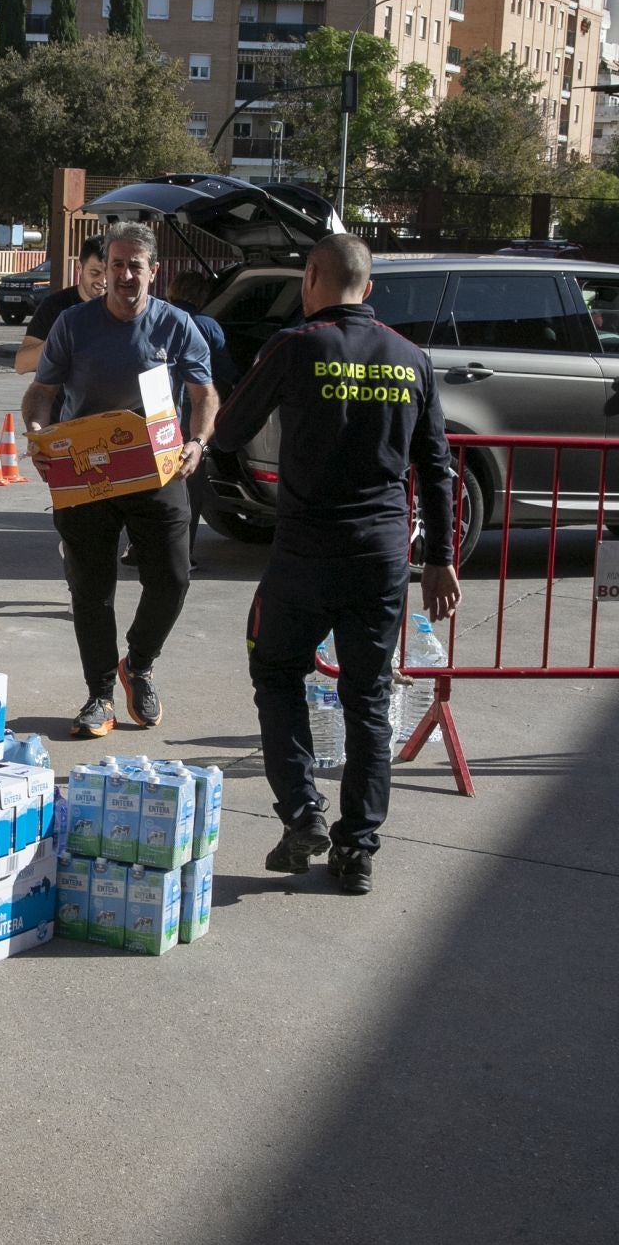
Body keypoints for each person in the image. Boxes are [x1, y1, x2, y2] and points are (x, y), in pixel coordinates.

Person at [212, 234, 460, 897]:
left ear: (311, 277)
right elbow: (437, 466)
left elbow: (230, 432)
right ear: (370, 289)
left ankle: (302, 813)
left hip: (304, 554)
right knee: (368, 702)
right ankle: (357, 852)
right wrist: (440, 558)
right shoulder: (412, 359)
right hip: (381, 558)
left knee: (276, 669)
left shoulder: (296, 346)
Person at [22, 222, 218, 739]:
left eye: (136, 265)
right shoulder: (73, 324)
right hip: (86, 473)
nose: (125, 274)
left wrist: (197, 443)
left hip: (157, 468)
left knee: (173, 578)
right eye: (117, 264)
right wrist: (38, 436)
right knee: (91, 590)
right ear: (103, 270)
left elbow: (203, 396)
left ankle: (141, 664)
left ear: (154, 271)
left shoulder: (177, 326)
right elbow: (41, 392)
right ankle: (100, 694)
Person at [121, 266, 236, 578]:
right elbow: (225, 373)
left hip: (154, 412)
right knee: (188, 484)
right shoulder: (208, 326)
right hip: (190, 415)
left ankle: (136, 545)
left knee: (146, 479)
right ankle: (183, 553)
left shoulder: (155, 319)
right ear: (202, 296)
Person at [14, 235, 107, 381]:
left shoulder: (123, 307)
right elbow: (21, 364)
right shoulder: (55, 306)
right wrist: (60, 341)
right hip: (62, 401)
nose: (103, 281)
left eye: (109, 273)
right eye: (95, 273)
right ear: (79, 268)